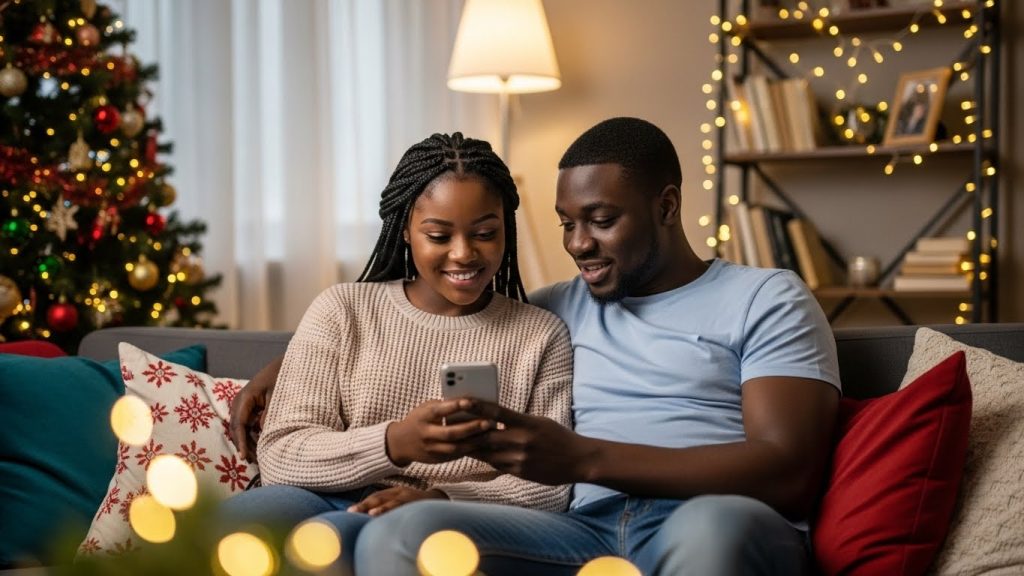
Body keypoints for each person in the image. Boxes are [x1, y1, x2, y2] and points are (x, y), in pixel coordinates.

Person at [232, 117, 841, 575]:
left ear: (667, 206)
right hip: (582, 529)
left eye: (601, 220)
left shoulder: (765, 297)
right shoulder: (558, 307)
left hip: (713, 512)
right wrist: (284, 365)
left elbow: (789, 470)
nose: (578, 244)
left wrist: (584, 460)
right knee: (409, 534)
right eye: (566, 224)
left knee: (714, 526)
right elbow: (436, 325)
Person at [220, 132, 573, 572]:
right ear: (405, 229)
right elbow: (281, 455)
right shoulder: (342, 309)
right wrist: (394, 443)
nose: (463, 253)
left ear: (507, 227)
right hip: (317, 494)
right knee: (229, 526)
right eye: (438, 235)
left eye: (485, 233)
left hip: (440, 515)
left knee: (328, 542)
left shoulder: (540, 335)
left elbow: (548, 485)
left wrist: (440, 497)